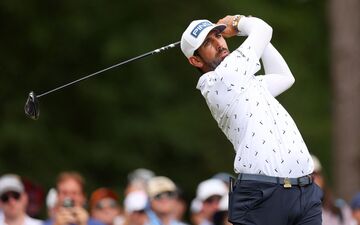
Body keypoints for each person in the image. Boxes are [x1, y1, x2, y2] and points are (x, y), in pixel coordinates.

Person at [180, 15, 323, 225]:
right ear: (196, 60)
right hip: (262, 195)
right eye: (208, 43)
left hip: (305, 192)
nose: (219, 44)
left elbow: (284, 77)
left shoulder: (245, 82)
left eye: (218, 35)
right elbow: (264, 29)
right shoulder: (219, 83)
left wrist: (249, 30)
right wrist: (238, 22)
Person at [311, 155, 355, 225]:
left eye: (315, 174)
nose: (313, 179)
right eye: (307, 176)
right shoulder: (293, 213)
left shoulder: (340, 209)